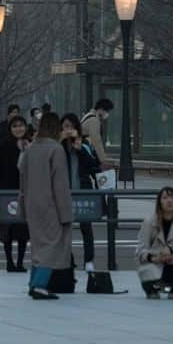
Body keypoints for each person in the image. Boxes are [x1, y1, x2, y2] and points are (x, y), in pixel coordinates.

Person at [18, 112, 73, 300]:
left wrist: (23, 205)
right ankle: (40, 284)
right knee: (51, 245)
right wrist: (66, 213)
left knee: (38, 245)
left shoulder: (31, 149)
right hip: (50, 205)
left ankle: (33, 282)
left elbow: (22, 179)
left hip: (31, 203)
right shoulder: (56, 149)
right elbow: (60, 185)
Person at [136, 187, 173, 298]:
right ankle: (152, 290)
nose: (169, 201)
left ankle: (172, 289)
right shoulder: (149, 222)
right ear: (159, 202)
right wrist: (153, 258)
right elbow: (140, 248)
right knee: (149, 272)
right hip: (155, 260)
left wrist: (171, 249)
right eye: (165, 198)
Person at [61, 112, 100, 272]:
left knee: (86, 227)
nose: (68, 129)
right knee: (65, 228)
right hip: (64, 192)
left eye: (71, 126)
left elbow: (94, 166)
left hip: (83, 191)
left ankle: (89, 260)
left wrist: (80, 150)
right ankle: (67, 260)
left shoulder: (84, 144)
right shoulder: (59, 146)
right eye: (65, 126)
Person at [0, 116, 30, 272]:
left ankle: (20, 262)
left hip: (25, 191)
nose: (18, 129)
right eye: (15, 126)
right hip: (6, 190)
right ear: (10, 128)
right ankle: (9, 262)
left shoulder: (29, 144)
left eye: (21, 126)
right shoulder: (3, 145)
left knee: (23, 228)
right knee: (7, 228)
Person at [81, 98, 114, 166]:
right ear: (101, 109)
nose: (107, 114)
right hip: (86, 155)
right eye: (107, 111)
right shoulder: (94, 121)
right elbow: (96, 141)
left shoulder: (88, 116)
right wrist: (103, 159)